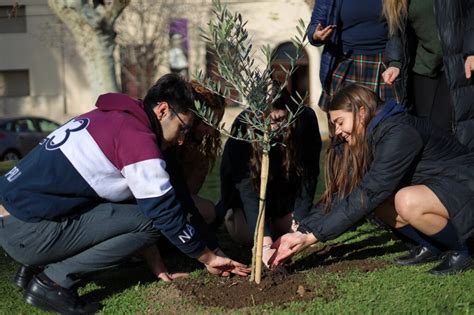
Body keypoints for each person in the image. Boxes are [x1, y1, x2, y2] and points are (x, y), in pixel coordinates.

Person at [0, 73, 249, 314]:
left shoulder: (116, 116)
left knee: (140, 213)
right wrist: (205, 257)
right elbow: (163, 212)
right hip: (26, 230)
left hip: (16, 219)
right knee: (152, 221)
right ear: (162, 110)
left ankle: (34, 268)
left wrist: (213, 250)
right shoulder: (137, 139)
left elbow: (179, 198)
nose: (183, 139)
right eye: (182, 128)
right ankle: (52, 283)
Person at [270, 84, 474, 275]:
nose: (338, 131)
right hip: (439, 186)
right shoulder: (372, 136)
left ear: (361, 112)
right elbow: (348, 193)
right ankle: (432, 245)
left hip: (464, 184)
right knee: (377, 204)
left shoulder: (398, 132)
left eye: (340, 122)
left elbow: (372, 190)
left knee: (405, 200)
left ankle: (466, 249)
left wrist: (313, 237)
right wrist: (304, 230)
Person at [221, 87, 322, 267]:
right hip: (250, 200)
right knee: (244, 235)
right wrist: (264, 243)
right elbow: (246, 190)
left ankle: (279, 224)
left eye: (280, 120)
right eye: (265, 121)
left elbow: (309, 175)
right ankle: (239, 219)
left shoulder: (305, 121)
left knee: (300, 229)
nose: (273, 128)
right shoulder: (242, 128)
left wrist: (299, 219)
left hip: (285, 197)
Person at [382, 0, 474, 148]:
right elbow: (396, 31)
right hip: (422, 68)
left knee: (453, 134)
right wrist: (395, 63)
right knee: (425, 135)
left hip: (456, 64)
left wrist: (472, 51)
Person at [308, 0, 400, 111]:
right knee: (343, 124)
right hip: (345, 64)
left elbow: (400, 30)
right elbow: (315, 25)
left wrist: (395, 62)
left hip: (383, 68)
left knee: (384, 122)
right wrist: (316, 35)